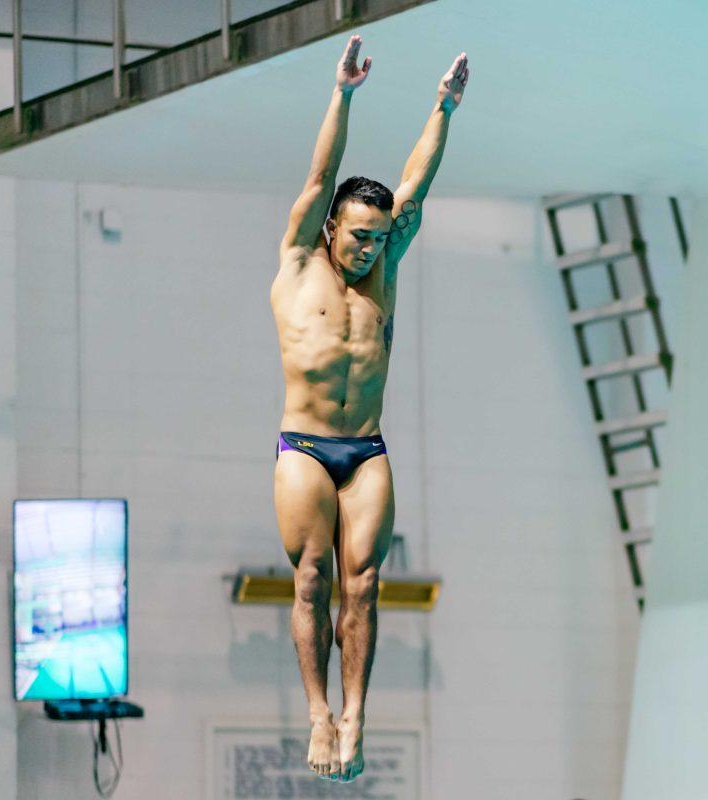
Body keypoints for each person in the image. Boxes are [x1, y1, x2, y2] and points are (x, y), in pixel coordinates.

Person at [271, 34, 468, 783]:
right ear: (329, 227)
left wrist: (442, 109)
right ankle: (318, 712)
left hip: (367, 450)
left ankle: (356, 713)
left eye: (379, 239)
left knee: (364, 584)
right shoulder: (297, 262)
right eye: (358, 235)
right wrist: (343, 94)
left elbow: (416, 186)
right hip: (306, 449)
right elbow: (321, 174)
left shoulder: (384, 266)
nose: (368, 249)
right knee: (313, 577)